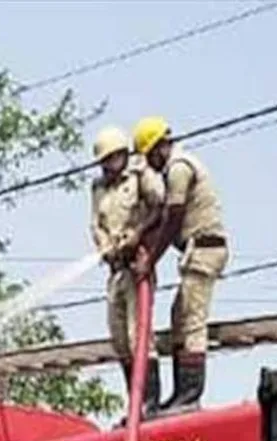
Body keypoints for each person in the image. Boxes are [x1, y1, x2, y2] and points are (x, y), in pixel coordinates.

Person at [130, 116, 230, 412]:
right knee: (179, 316)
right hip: (196, 251)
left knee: (190, 319)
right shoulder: (176, 168)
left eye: (149, 157)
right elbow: (162, 216)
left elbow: (172, 218)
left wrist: (150, 260)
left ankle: (190, 395)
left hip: (204, 250)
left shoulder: (179, 168)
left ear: (159, 147)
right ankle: (179, 395)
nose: (151, 165)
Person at [89, 125, 167, 418]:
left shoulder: (139, 176)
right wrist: (103, 245)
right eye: (104, 162)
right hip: (115, 270)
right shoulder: (98, 188)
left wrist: (137, 234)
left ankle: (149, 403)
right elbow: (95, 224)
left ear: (122, 155)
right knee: (120, 340)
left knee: (139, 337)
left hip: (137, 267)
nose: (107, 166)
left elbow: (159, 206)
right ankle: (134, 401)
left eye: (111, 159)